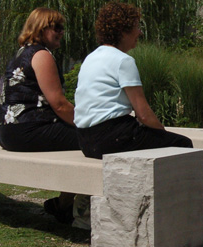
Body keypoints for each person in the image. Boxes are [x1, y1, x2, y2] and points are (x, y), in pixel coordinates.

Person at [0, 7, 79, 224]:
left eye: (62, 28)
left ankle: (64, 204)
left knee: (83, 137)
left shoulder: (23, 52)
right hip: (27, 129)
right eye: (56, 28)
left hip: (7, 129)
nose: (61, 32)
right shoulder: (42, 55)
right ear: (41, 29)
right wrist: (88, 123)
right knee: (93, 138)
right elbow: (59, 104)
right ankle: (66, 206)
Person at [75, 2, 192, 160]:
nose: (140, 32)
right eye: (137, 27)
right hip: (111, 138)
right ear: (123, 31)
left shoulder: (91, 58)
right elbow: (143, 114)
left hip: (85, 141)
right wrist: (162, 133)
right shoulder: (123, 61)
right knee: (182, 144)